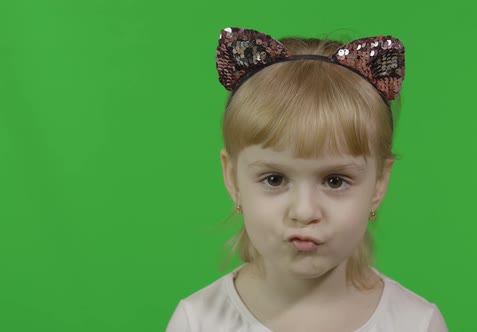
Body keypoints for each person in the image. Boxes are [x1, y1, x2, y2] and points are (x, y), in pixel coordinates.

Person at [166, 27, 448, 332]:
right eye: (274, 179)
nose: (304, 212)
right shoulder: (197, 322)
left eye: (335, 181)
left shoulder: (416, 323)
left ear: (379, 183)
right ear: (232, 178)